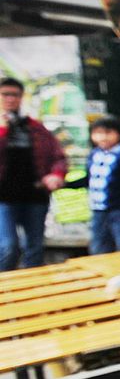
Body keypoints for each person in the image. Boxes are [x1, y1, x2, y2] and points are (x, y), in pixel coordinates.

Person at [0, 78, 67, 269]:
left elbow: (58, 156)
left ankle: (33, 292)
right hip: (3, 198)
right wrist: (3, 130)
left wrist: (56, 174)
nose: (10, 99)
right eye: (5, 94)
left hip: (35, 196)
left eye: (15, 95)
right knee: (8, 246)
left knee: (35, 248)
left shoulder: (34, 127)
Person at [63, 115, 120, 253]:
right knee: (99, 244)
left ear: (119, 134)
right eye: (98, 133)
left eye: (108, 133)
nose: (103, 138)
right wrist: (67, 185)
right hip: (99, 209)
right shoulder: (94, 155)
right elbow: (90, 179)